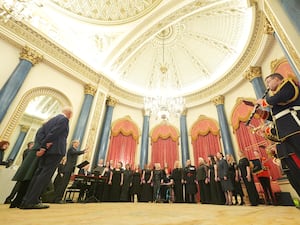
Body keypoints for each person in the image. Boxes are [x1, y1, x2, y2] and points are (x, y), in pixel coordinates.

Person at [20, 106, 73, 209]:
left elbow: (42, 134)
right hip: (55, 151)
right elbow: (54, 133)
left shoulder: (51, 120)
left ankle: (26, 200)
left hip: (48, 151)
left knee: (38, 174)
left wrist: (43, 147)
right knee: (44, 176)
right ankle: (32, 201)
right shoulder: (64, 119)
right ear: (69, 114)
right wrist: (44, 146)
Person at [256, 73, 300, 196]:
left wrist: (263, 102)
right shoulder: (278, 99)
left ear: (277, 79)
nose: (268, 86)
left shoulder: (288, 84)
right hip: (286, 133)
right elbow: (276, 117)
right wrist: (262, 113)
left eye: (269, 82)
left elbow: (280, 97)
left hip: (295, 128)